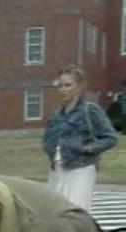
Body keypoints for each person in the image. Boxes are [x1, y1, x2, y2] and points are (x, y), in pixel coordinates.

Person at [43, 65, 118, 212]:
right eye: (60, 86)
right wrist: (49, 148)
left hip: (81, 168)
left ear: (79, 87)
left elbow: (110, 138)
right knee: (55, 212)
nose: (63, 89)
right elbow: (48, 139)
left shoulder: (90, 110)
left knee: (76, 212)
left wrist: (88, 148)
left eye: (68, 85)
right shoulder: (56, 115)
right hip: (57, 169)